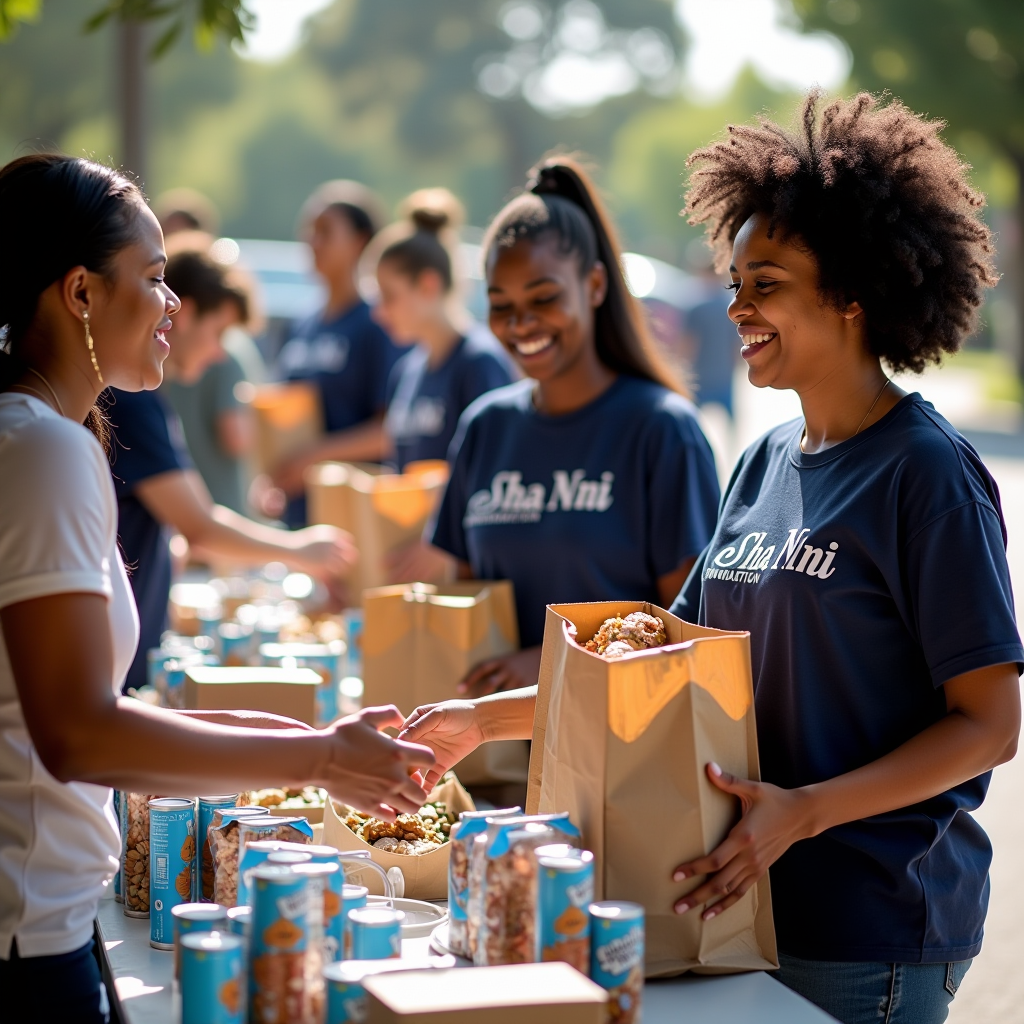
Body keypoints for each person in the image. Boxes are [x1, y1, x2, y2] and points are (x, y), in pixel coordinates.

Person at [402, 96, 1024, 1024]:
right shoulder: (764, 459)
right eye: (733, 282)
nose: (735, 307)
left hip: (869, 929)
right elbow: (652, 670)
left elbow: (989, 726)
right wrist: (479, 721)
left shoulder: (927, 474)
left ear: (851, 292)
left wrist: (802, 811)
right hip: (742, 906)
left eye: (764, 284)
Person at [0, 154, 434, 1022]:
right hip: (27, 950)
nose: (173, 305)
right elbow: (80, 734)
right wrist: (317, 759)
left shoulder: (42, 436)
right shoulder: (42, 449)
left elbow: (91, 711)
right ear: (80, 292)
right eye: (156, 278)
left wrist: (315, 742)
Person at [421, 157, 721, 694]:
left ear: (596, 283)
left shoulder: (661, 430)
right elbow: (467, 606)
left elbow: (690, 630)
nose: (520, 324)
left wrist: (550, 663)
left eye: (544, 298)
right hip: (497, 753)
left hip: (622, 755)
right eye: (500, 305)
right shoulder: (485, 427)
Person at [368, 188, 515, 582]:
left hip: (464, 575)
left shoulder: (479, 363)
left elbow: (499, 477)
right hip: (411, 571)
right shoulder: (407, 370)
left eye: (388, 296)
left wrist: (445, 542)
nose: (379, 313)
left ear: (429, 286)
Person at [270, 180, 403, 525]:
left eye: (325, 231)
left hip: (355, 516)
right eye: (309, 231)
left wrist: (315, 458)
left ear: (360, 241)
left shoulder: (379, 324)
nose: (313, 242)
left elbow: (390, 432)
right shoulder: (301, 325)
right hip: (299, 514)